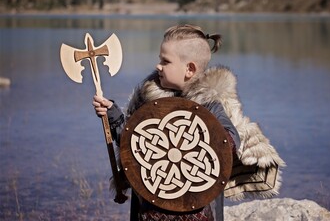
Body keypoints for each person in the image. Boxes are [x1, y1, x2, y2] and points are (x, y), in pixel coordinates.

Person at [93, 24, 285, 221]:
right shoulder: (149, 101)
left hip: (197, 208)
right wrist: (113, 116)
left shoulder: (210, 106)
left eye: (165, 61)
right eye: (160, 59)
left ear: (189, 69)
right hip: (150, 206)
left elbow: (227, 143)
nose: (158, 66)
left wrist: (194, 145)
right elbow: (132, 142)